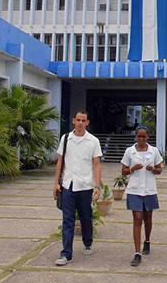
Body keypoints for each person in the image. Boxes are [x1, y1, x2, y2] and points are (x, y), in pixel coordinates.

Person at [53, 111, 102, 266]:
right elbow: (60, 161)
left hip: (85, 185)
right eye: (78, 120)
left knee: (85, 216)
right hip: (68, 184)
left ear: (87, 123)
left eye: (83, 120)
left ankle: (87, 241)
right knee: (67, 219)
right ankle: (66, 253)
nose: (80, 123)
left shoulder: (93, 141)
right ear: (73, 121)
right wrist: (56, 183)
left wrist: (97, 186)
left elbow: (96, 164)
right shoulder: (66, 138)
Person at [121, 125, 163, 267]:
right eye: (139, 136)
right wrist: (133, 168)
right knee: (137, 219)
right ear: (136, 137)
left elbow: (159, 169)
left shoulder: (154, 151)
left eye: (144, 137)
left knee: (148, 218)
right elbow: (124, 171)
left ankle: (147, 240)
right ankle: (137, 252)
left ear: (148, 137)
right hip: (135, 189)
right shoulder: (130, 151)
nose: (141, 139)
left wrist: (154, 169)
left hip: (149, 189)